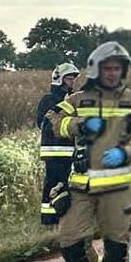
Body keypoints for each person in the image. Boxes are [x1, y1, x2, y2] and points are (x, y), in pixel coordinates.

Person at [45, 42, 131, 262]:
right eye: (107, 68)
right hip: (81, 187)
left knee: (116, 245)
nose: (112, 73)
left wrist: (126, 152)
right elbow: (52, 118)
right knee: (70, 242)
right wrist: (78, 125)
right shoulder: (79, 98)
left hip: (118, 188)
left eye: (117, 68)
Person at [35, 62, 81, 227]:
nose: (72, 82)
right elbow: (42, 123)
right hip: (54, 151)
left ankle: (63, 218)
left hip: (68, 150)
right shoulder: (49, 99)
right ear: (60, 79)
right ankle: (49, 221)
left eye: (73, 79)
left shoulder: (71, 98)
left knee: (65, 184)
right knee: (52, 184)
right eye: (69, 79)